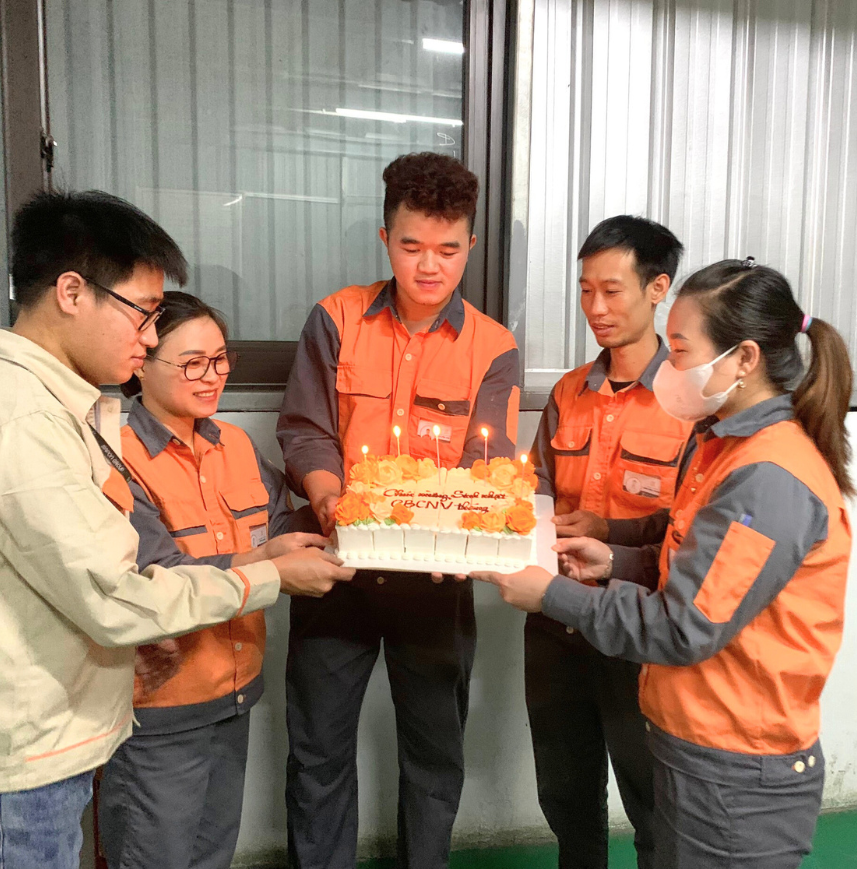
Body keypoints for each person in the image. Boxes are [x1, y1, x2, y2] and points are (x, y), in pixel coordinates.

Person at [0, 191, 352, 869]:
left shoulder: (67, 413)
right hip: (27, 758)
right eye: (142, 314)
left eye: (219, 359)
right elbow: (119, 595)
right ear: (72, 292)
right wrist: (269, 575)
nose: (146, 337)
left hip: (74, 730)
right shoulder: (25, 424)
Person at [474, 260, 852, 869]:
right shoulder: (723, 444)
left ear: (744, 358)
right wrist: (614, 559)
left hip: (736, 767)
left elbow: (685, 627)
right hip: (695, 742)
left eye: (680, 351)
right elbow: (696, 564)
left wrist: (551, 595)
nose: (669, 369)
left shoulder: (769, 476)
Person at [277, 151, 520, 869]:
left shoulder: (493, 347)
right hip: (335, 570)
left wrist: (454, 535)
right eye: (412, 246)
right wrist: (331, 499)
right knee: (318, 750)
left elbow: (487, 463)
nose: (429, 266)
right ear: (386, 239)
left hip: (434, 583)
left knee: (434, 753)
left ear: (470, 245)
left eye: (448, 249)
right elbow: (306, 429)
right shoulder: (336, 317)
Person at [97, 292, 329, 869]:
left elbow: (283, 526)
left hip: (234, 696)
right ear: (141, 364)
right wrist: (268, 563)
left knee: (212, 854)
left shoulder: (237, 446)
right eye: (193, 363)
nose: (212, 377)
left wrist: (356, 516)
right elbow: (156, 579)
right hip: (159, 711)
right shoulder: (116, 459)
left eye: (221, 359)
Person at [526, 216, 690, 869]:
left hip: (639, 627)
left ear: (658, 289)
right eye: (586, 290)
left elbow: (691, 527)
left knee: (653, 801)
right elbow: (534, 493)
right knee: (564, 793)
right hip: (555, 622)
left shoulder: (690, 401)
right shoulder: (569, 392)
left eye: (612, 291)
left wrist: (607, 535)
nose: (595, 307)